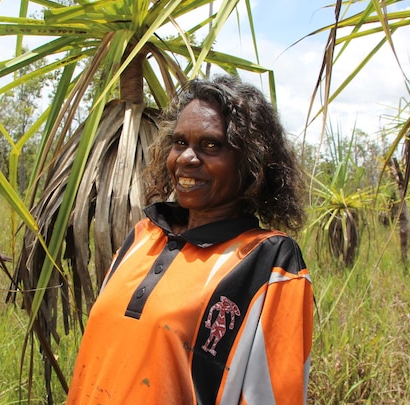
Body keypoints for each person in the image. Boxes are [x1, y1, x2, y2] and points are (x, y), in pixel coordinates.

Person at [66, 75, 314, 404]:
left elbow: (275, 393)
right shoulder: (143, 237)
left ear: (250, 163)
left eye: (211, 145)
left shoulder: (269, 262)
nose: (187, 157)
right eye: (180, 142)